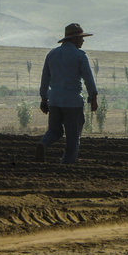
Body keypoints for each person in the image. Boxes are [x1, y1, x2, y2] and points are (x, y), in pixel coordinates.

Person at [36, 23, 98, 164]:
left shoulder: (52, 54)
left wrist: (44, 99)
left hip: (54, 101)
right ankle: (67, 166)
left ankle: (43, 144)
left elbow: (45, 79)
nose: (83, 40)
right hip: (73, 103)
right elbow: (88, 79)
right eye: (81, 38)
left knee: (54, 131)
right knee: (73, 138)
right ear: (74, 39)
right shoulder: (80, 56)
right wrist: (93, 97)